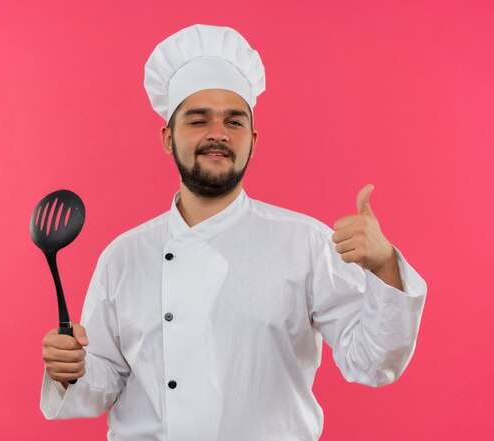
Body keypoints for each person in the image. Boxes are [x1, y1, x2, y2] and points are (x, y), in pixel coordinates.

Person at [40, 24, 427, 441]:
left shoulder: (306, 244)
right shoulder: (124, 256)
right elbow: (107, 378)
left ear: (253, 140)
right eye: (198, 119)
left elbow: (372, 360)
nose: (218, 133)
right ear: (168, 138)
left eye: (234, 121)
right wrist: (71, 369)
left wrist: (386, 266)